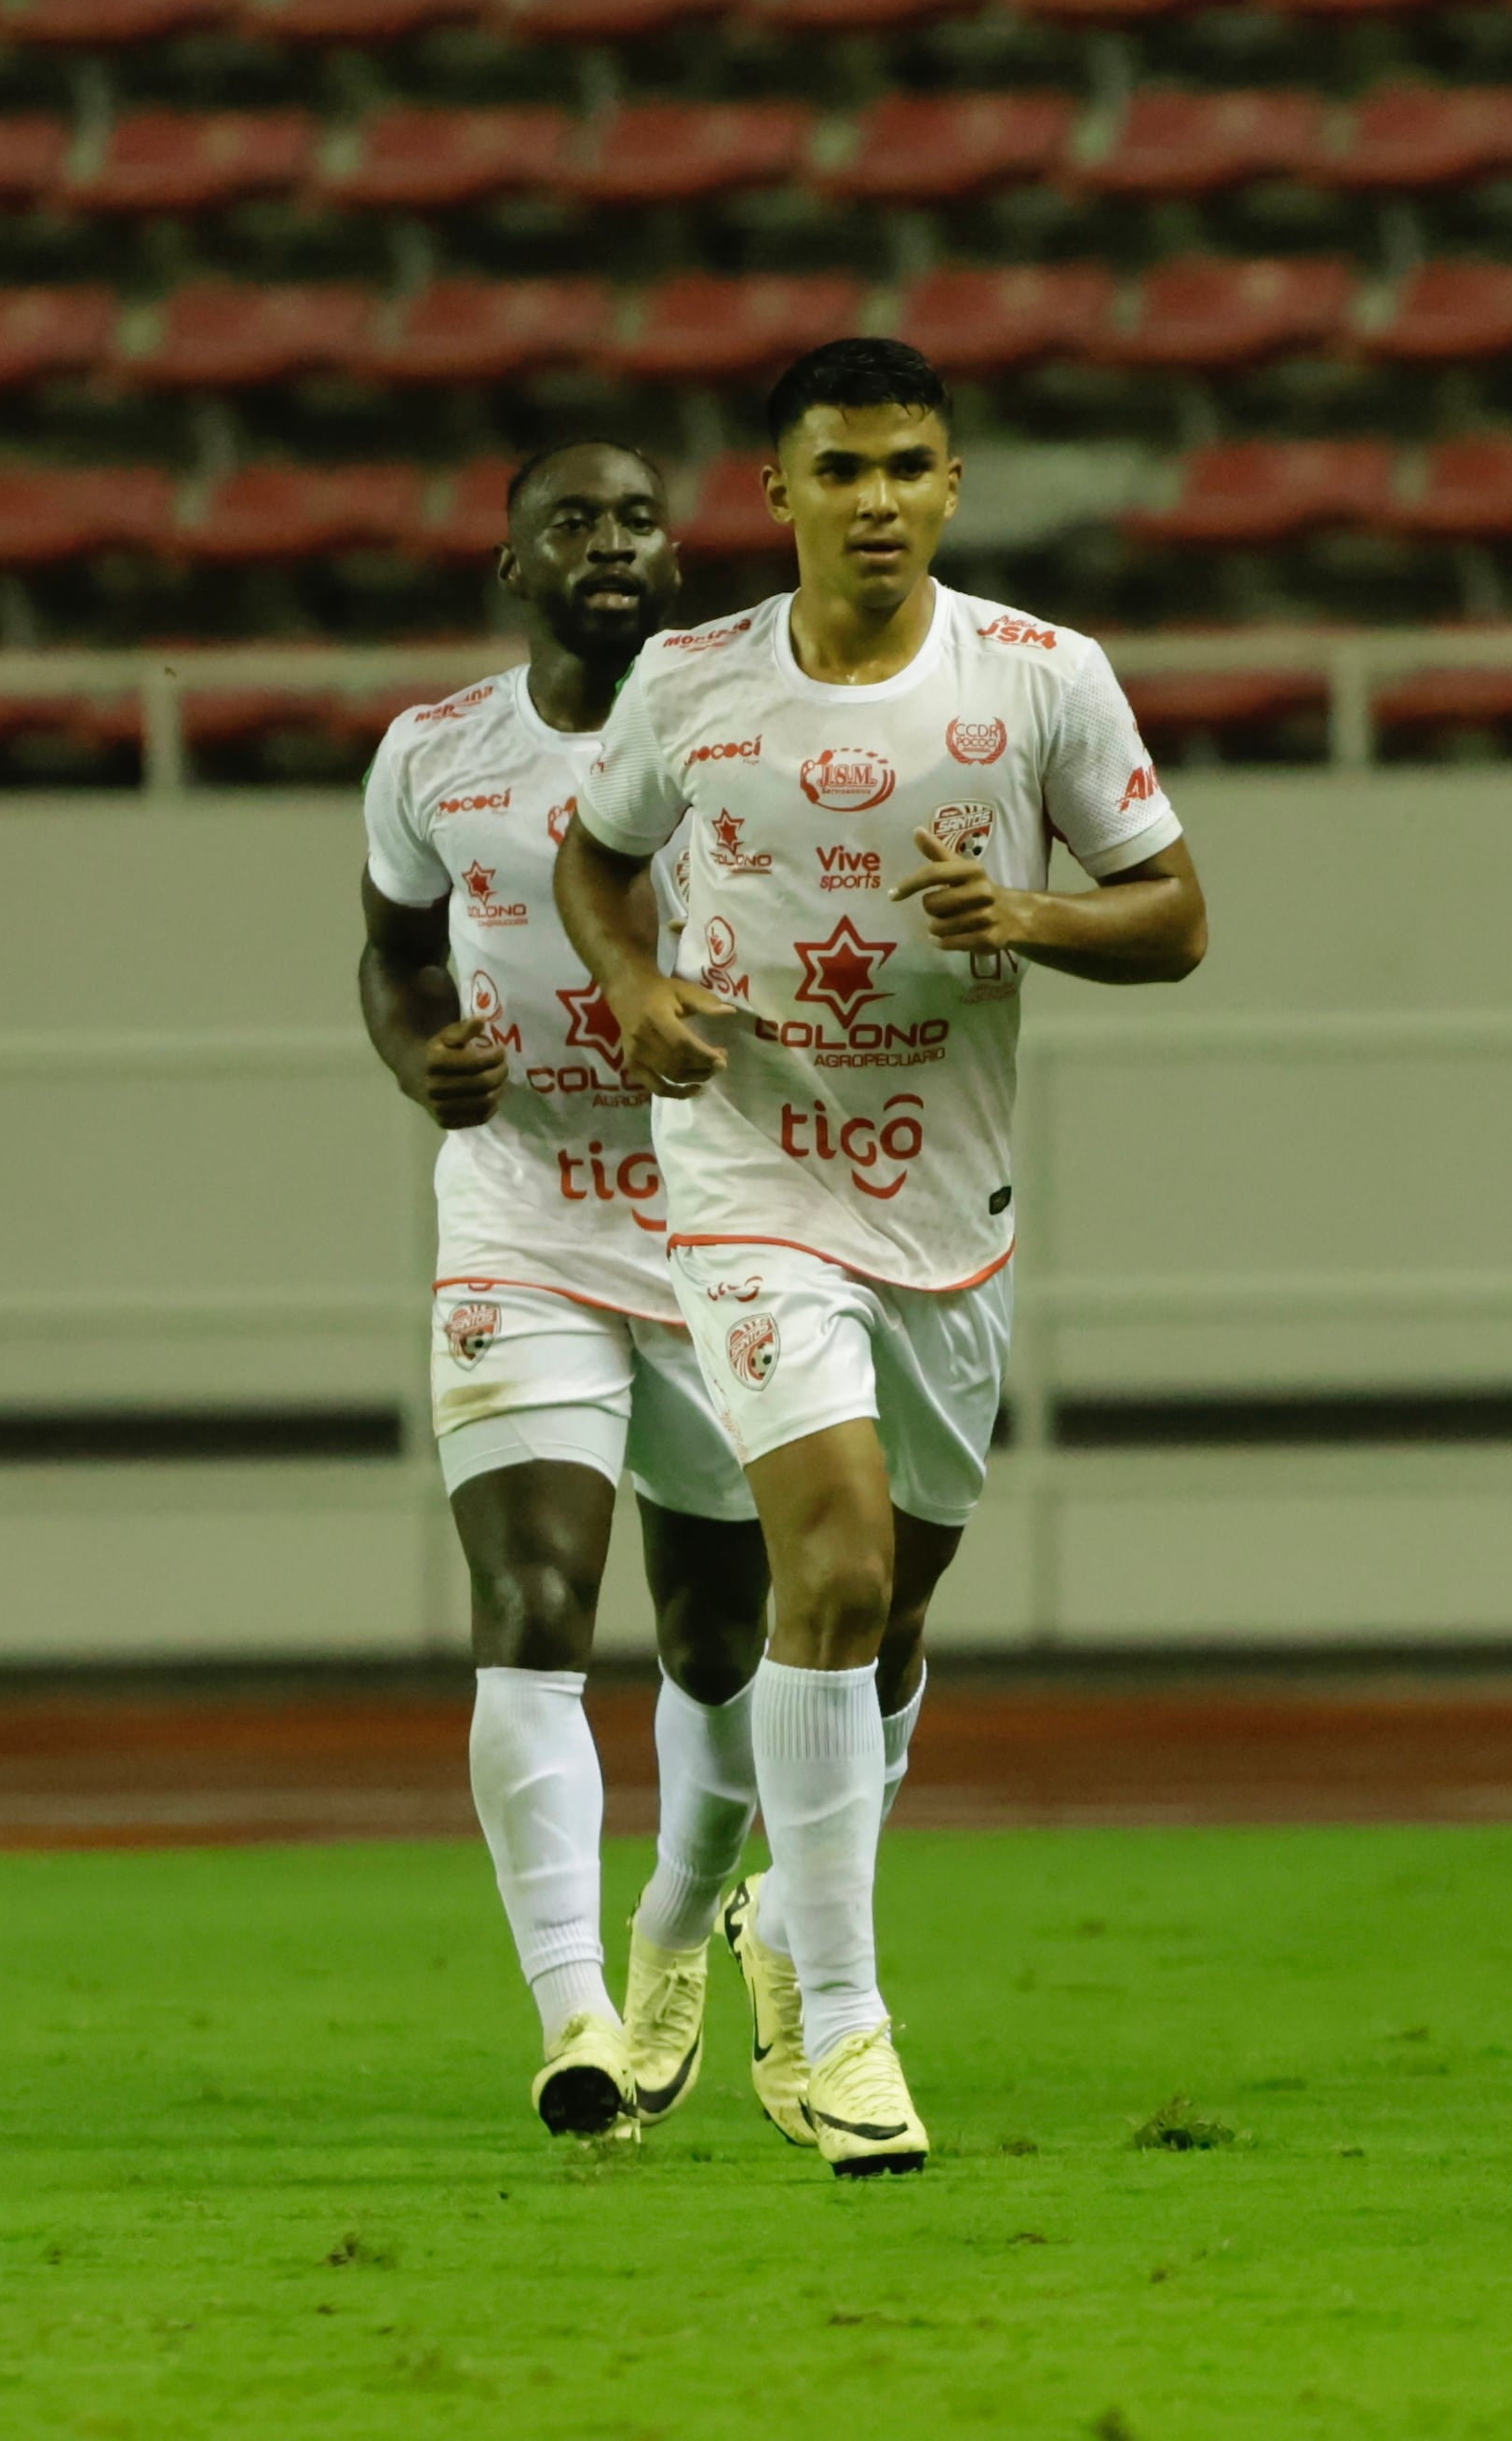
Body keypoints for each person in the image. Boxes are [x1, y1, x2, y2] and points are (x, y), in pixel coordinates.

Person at [552, 339, 1210, 2177]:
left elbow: (1178, 920)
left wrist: (1034, 916)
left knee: (887, 1615)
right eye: (838, 470)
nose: (875, 502)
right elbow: (596, 866)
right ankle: (842, 2031)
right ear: (776, 495)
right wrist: (634, 991)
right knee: (823, 1562)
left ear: (952, 485)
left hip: (949, 1214)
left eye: (907, 466)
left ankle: (733, 1919)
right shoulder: (689, 687)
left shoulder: (1041, 683)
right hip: (749, 1179)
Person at [358, 439, 773, 2140]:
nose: (610, 542)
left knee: (725, 1641)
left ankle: (679, 1917)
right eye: (570, 522)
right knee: (535, 1610)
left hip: (730, 1216)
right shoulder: (432, 756)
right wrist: (417, 1060)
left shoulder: (753, 721)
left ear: (678, 558)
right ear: (515, 566)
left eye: (638, 518)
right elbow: (394, 958)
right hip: (523, 1215)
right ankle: (575, 2020)